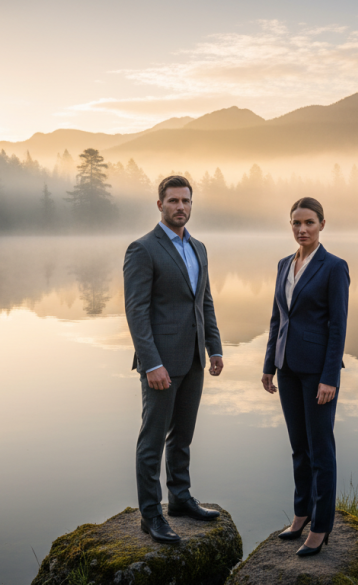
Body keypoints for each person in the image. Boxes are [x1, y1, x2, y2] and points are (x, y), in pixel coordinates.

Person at [124, 175, 225, 543]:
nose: (180, 207)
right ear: (160, 205)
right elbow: (136, 312)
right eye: (173, 201)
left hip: (194, 358)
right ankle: (151, 515)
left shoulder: (198, 247)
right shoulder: (142, 249)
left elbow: (205, 301)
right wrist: (151, 363)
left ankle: (179, 499)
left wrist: (214, 347)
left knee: (182, 436)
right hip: (161, 364)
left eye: (186, 201)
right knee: (152, 440)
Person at [261, 197, 350, 557]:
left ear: (322, 225)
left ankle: (322, 526)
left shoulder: (334, 267)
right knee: (298, 447)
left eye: (309, 223)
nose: (302, 229)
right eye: (296, 223)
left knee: (320, 450)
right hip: (287, 369)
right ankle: (301, 514)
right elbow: (276, 319)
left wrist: (330, 377)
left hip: (318, 374)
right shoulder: (284, 264)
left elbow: (338, 326)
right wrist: (269, 365)